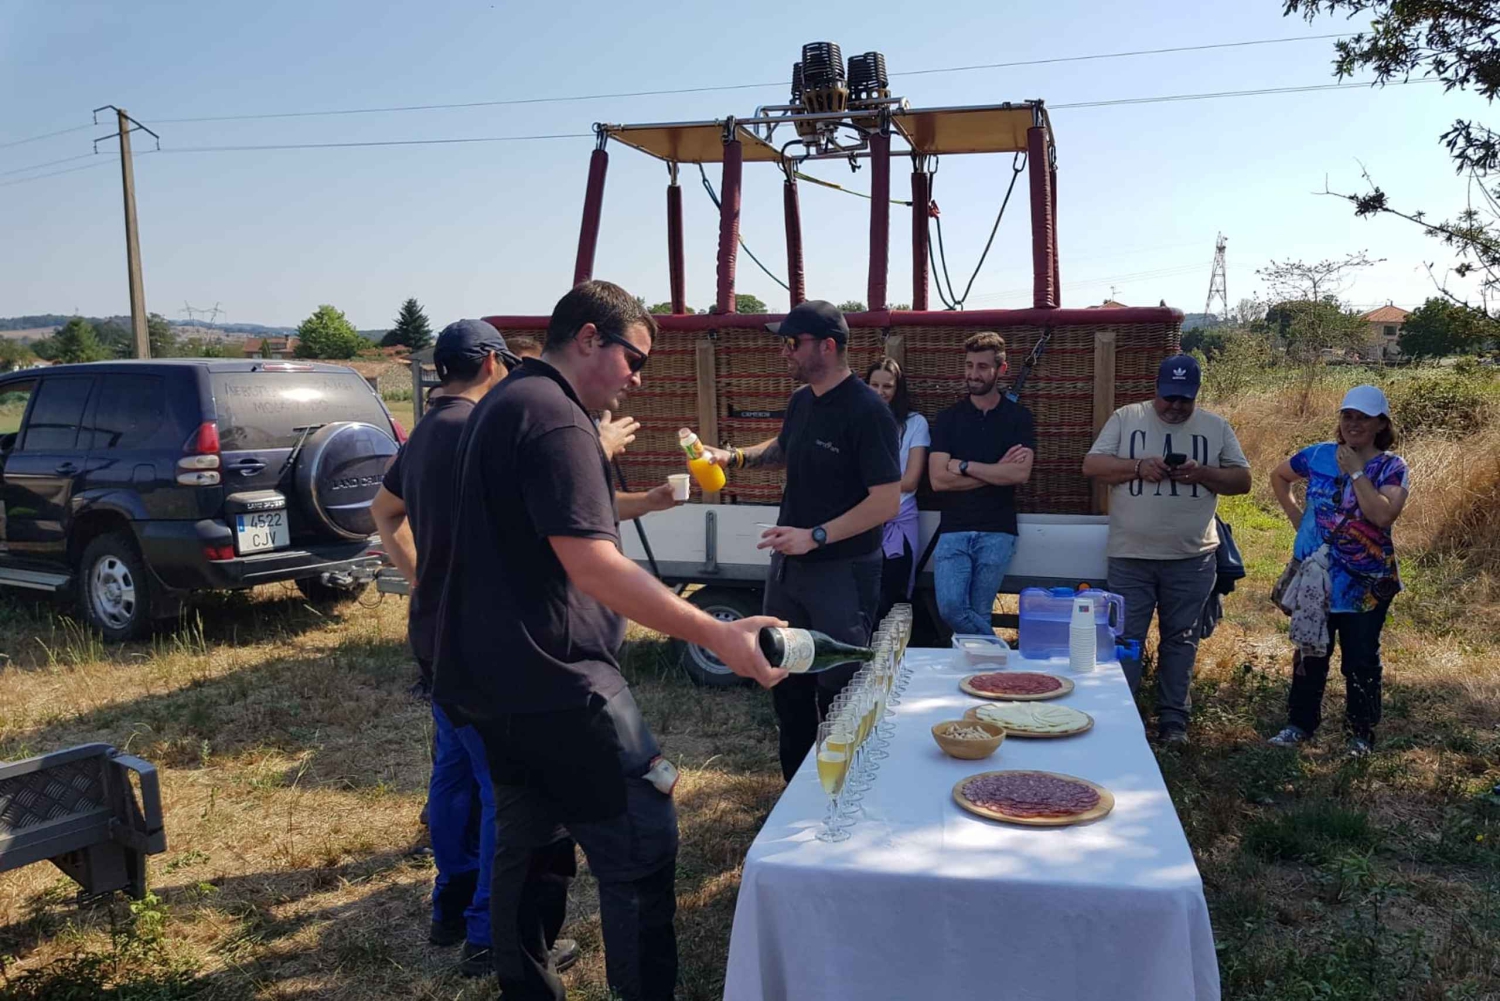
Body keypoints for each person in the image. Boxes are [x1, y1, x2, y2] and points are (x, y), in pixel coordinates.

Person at [433, 280, 786, 1001]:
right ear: (590, 337)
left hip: (494, 684)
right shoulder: (558, 420)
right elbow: (592, 563)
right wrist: (717, 632)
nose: (637, 378)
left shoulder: (509, 402)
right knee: (643, 848)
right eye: (634, 358)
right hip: (559, 683)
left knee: (529, 848)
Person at [371, 320, 574, 976]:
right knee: (502, 789)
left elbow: (382, 512)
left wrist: (423, 578)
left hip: (433, 637)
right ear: (490, 361)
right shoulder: (478, 431)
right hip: (481, 644)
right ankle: (491, 935)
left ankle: (449, 907)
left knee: (453, 771)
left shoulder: (426, 429)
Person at [702, 300, 900, 782]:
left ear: (828, 347)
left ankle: (843, 800)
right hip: (790, 570)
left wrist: (816, 536)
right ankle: (795, 796)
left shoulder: (867, 410)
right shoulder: (801, 401)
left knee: (840, 692)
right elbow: (784, 446)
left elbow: (886, 502)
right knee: (785, 683)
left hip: (842, 574)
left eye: (793, 342)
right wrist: (733, 457)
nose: (784, 352)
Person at [1081, 354, 1252, 744]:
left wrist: (1204, 473)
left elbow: (1243, 480)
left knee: (1181, 639)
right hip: (1131, 555)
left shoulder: (1215, 426)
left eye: (1184, 400)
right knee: (1126, 641)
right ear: (1156, 390)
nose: (1175, 407)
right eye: (1169, 398)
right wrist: (1138, 468)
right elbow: (1092, 466)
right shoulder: (1128, 418)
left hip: (1192, 558)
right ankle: (1121, 716)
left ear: (1196, 395)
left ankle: (1174, 720)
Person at [1267, 385, 1409, 757]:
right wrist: (1298, 517)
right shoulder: (1317, 455)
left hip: (1364, 583)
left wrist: (1358, 473)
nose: (1353, 424)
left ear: (1381, 423)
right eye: (1347, 416)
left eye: (1363, 418)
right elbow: (1278, 476)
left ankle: (1360, 734)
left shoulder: (1392, 467)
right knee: (1309, 649)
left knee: (1361, 659)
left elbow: (1382, 515)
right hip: (1316, 576)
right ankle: (1299, 724)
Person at [926, 332, 1036, 637]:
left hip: (998, 530)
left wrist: (964, 466)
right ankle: (998, 655)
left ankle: (977, 681)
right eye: (969, 365)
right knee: (951, 608)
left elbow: (1019, 475)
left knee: (977, 612)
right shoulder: (949, 418)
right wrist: (996, 471)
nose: (973, 374)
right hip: (954, 530)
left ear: (1001, 370)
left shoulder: (1018, 418)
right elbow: (938, 479)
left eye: (982, 367)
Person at [866, 357, 929, 619]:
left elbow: (912, 480)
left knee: (893, 600)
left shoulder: (915, 424)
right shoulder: (857, 421)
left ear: (898, 388)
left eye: (887, 386)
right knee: (864, 597)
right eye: (874, 385)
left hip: (899, 522)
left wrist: (869, 484)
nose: (880, 392)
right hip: (863, 521)